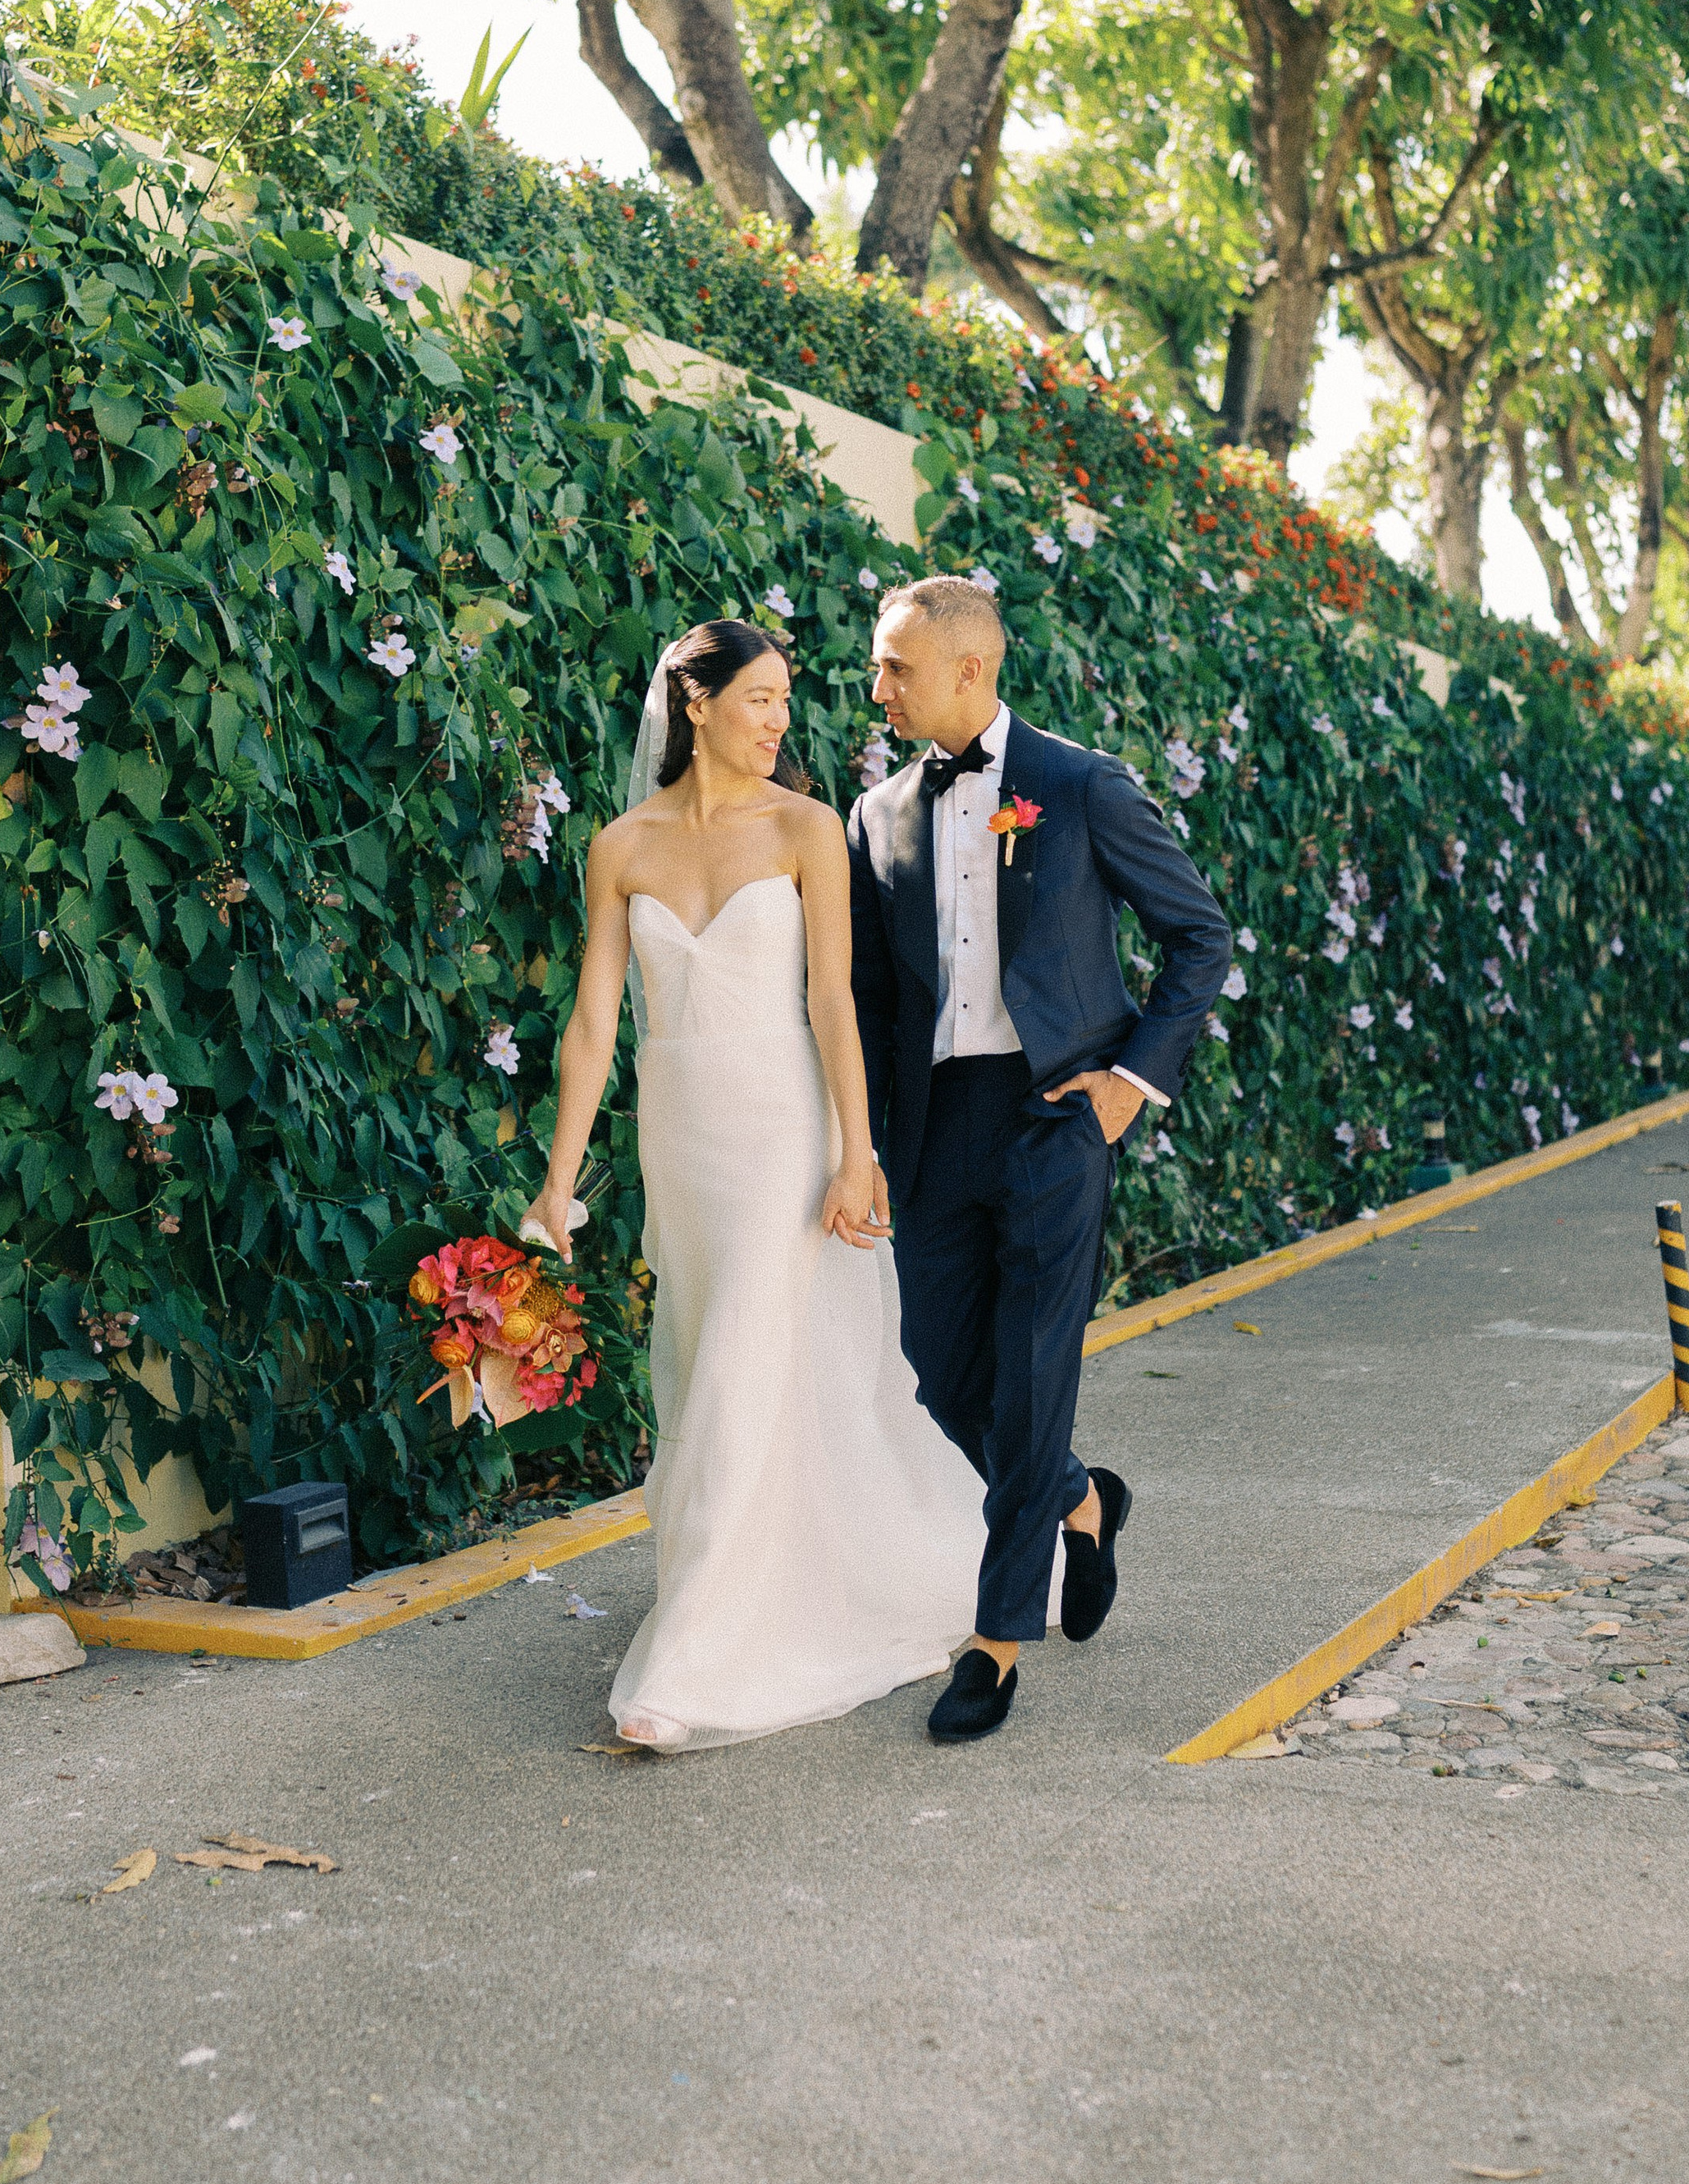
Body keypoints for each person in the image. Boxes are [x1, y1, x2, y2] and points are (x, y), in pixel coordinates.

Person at [523, 619, 990, 1749]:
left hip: (784, 1133)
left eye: (785, 700)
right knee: (707, 1367)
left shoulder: (806, 829)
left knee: (739, 1363)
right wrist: (556, 1186)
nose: (781, 720)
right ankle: (773, 1587)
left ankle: (693, 1663)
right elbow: (592, 1028)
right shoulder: (620, 847)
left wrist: (857, 1150)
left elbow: (834, 1001)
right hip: (683, 1143)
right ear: (696, 706)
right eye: (760, 699)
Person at [847, 575, 1232, 1742]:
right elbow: (872, 1000)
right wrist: (868, 1143)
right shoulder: (876, 816)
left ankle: (1000, 1639)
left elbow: (1199, 938)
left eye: (896, 667)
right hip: (933, 1130)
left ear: (970, 669)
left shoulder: (1082, 786)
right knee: (935, 1368)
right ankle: (1080, 1498)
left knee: (1029, 1376)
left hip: (1055, 1115)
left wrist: (1129, 1083)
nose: (877, 688)